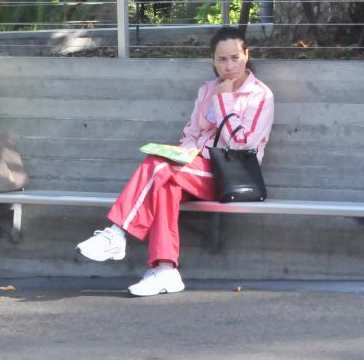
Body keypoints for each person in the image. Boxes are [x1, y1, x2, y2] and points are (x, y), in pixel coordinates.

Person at [75, 26, 274, 296]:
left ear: (247, 55)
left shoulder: (260, 95)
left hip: (231, 175)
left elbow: (243, 145)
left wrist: (224, 101)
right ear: (213, 61)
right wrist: (183, 155)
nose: (229, 66)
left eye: (235, 58)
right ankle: (166, 270)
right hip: (196, 168)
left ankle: (117, 233)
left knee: (158, 165)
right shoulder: (207, 90)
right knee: (164, 184)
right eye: (222, 59)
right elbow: (190, 133)